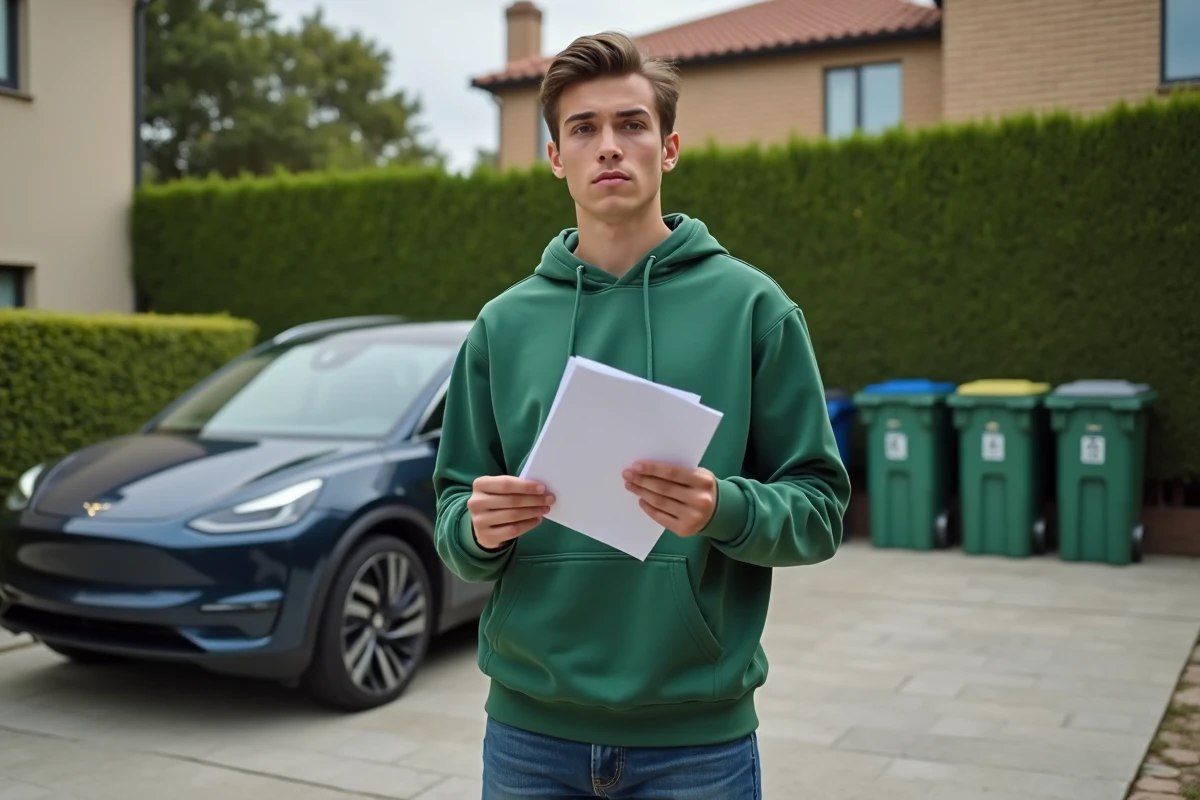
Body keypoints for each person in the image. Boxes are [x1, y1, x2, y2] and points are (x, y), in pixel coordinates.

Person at [432, 30, 851, 800]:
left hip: (697, 743)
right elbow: (454, 515)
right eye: (583, 129)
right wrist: (477, 528)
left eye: (631, 124)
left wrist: (725, 506)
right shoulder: (502, 325)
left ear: (671, 147)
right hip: (529, 736)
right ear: (556, 157)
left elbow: (821, 509)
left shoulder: (754, 309)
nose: (609, 147)